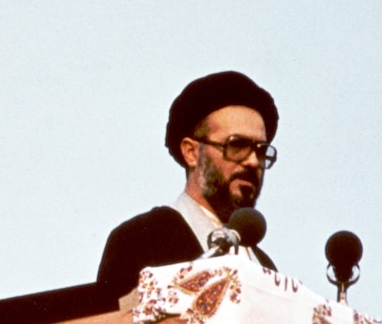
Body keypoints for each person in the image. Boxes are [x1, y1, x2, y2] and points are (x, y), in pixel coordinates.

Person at [97, 70, 280, 295]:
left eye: (261, 151)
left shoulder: (265, 266)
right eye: (236, 145)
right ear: (191, 153)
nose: (253, 161)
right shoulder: (141, 240)